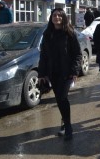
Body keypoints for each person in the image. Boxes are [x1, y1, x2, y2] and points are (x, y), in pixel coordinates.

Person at [38, 8, 82, 140]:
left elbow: (78, 54)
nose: (56, 17)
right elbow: (43, 55)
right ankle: (64, 122)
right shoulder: (47, 34)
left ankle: (68, 126)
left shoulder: (70, 33)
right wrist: (42, 73)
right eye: (54, 15)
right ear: (51, 18)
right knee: (59, 99)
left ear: (63, 17)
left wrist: (74, 71)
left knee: (62, 98)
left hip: (67, 73)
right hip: (53, 73)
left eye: (59, 15)